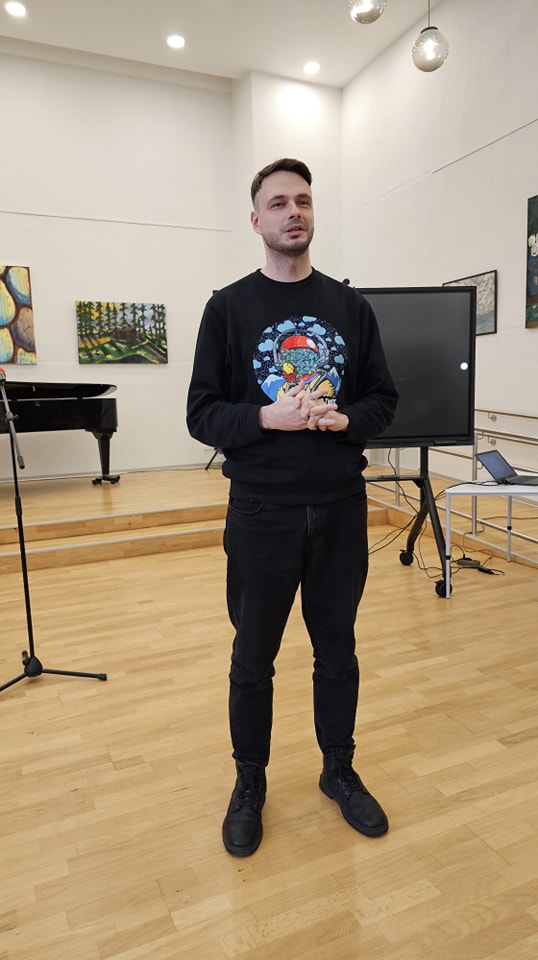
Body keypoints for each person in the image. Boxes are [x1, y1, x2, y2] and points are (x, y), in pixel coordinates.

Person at [186, 158, 398, 857]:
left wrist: (348, 419)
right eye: (278, 203)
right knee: (253, 658)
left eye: (303, 201)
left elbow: (383, 398)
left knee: (338, 652)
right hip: (261, 512)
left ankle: (338, 769)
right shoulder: (227, 308)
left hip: (340, 508)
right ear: (257, 220)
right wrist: (266, 417)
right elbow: (201, 413)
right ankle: (250, 781)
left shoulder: (351, 307)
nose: (293, 212)